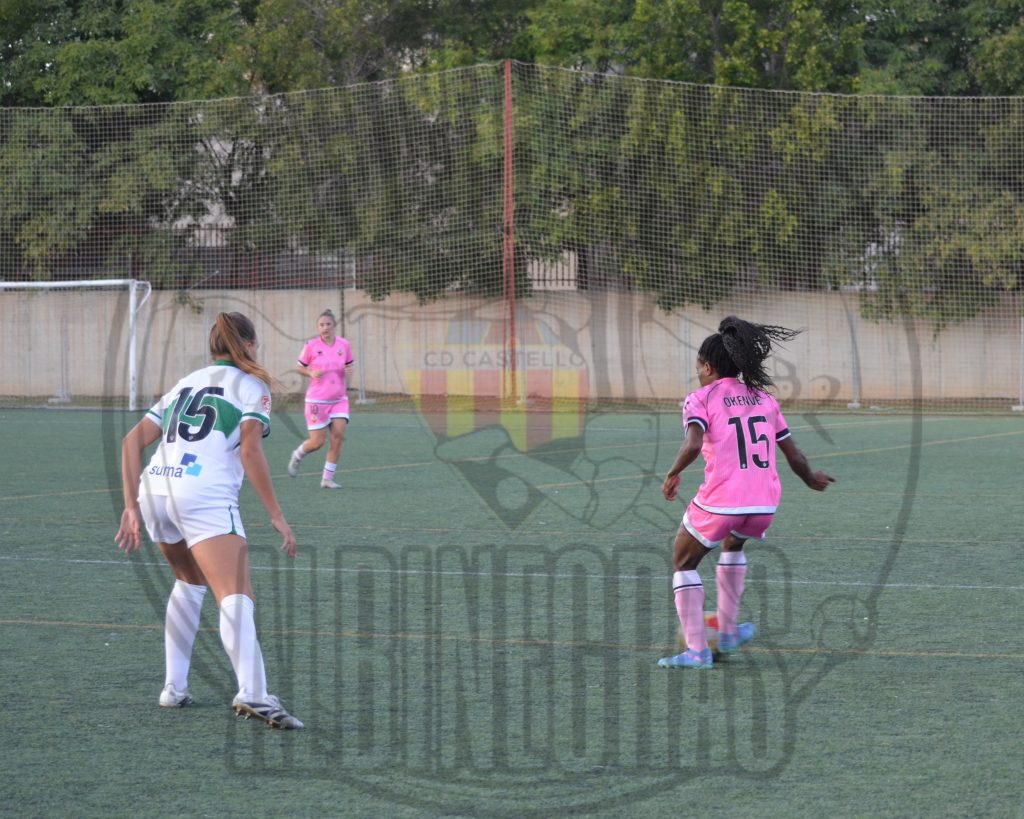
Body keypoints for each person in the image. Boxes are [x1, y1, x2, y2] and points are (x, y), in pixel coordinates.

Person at [115, 312, 304, 728]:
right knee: (235, 594)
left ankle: (173, 688)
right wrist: (276, 514)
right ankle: (253, 693)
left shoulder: (186, 382)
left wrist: (130, 507)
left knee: (189, 581)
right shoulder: (252, 386)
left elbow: (131, 442)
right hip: (202, 495)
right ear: (248, 345)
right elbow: (250, 451)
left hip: (156, 491)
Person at [658, 316, 834, 669]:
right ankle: (726, 631)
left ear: (708, 367)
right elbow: (794, 455)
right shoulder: (764, 399)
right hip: (763, 504)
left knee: (683, 561)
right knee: (733, 543)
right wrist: (810, 479)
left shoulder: (700, 398)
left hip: (723, 501)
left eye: (698, 368)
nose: (697, 374)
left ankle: (697, 651)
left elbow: (693, 443)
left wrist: (673, 473)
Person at [287, 308, 354, 489]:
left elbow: (349, 365)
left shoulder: (344, 345)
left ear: (334, 326)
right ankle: (297, 455)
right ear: (318, 327)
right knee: (317, 442)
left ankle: (327, 479)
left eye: (328, 324)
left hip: (339, 399)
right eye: (322, 325)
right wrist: (310, 372)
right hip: (317, 401)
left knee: (338, 437)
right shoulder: (311, 345)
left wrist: (348, 370)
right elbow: (300, 367)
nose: (325, 328)